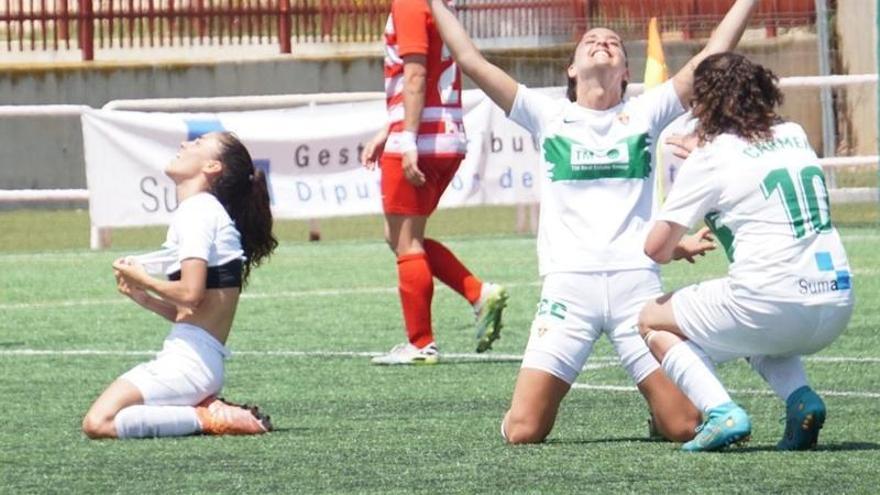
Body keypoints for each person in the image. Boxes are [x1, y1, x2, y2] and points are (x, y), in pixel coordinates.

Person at [429, 0, 759, 443]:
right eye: (591, 40)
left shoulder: (646, 112)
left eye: (614, 43)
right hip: (569, 292)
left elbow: (710, 57)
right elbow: (470, 59)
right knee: (524, 432)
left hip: (636, 292)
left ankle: (661, 416)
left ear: (626, 71)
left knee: (684, 427)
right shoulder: (546, 115)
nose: (603, 43)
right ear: (571, 69)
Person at [638, 52, 854, 452]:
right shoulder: (795, 133)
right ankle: (801, 399)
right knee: (753, 330)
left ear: (705, 102)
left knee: (652, 320)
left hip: (774, 302)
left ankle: (721, 412)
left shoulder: (710, 156)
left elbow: (656, 248)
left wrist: (698, 165)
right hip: (837, 300)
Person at [81, 132, 278, 439]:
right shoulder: (203, 210)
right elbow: (191, 313)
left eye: (197, 144)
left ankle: (207, 417)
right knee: (107, 417)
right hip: (195, 363)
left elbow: (190, 294)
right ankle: (207, 408)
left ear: (212, 166)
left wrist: (142, 279)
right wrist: (142, 296)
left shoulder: (198, 210)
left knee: (99, 422)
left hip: (189, 366)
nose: (185, 145)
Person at [361, 0, 508, 365]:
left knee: (406, 242)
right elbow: (425, 76)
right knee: (400, 237)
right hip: (447, 137)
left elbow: (415, 75)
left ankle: (420, 343)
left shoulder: (409, 4)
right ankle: (477, 292)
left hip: (421, 139)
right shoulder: (435, 6)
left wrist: (406, 138)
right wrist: (389, 130)